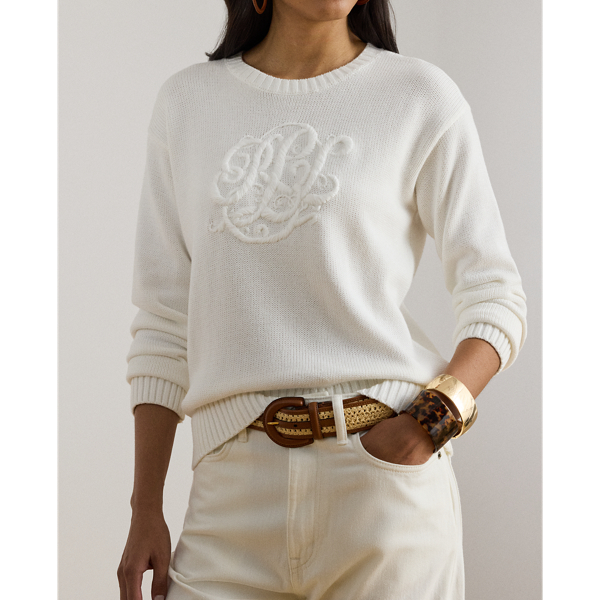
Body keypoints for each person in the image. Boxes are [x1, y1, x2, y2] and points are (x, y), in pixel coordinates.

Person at [117, 0, 527, 598]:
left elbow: (496, 296)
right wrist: (145, 507)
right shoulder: (187, 104)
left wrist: (430, 423)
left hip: (384, 488)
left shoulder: (420, 97)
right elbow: (163, 322)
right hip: (230, 496)